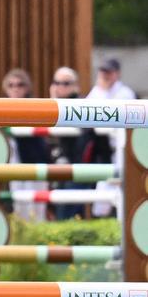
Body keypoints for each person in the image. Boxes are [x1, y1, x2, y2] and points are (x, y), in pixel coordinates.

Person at [85, 57, 135, 212]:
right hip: (104, 151)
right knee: (102, 199)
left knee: (127, 195)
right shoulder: (96, 92)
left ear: (117, 74)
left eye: (108, 72)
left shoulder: (125, 93)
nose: (105, 75)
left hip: (124, 151)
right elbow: (85, 116)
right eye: (102, 71)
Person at [1, 68, 49, 221]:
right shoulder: (0, 108)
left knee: (37, 209)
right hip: (13, 164)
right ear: (6, 88)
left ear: (27, 88)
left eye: (20, 84)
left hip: (35, 161)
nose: (15, 88)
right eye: (11, 85)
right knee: (19, 207)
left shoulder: (35, 105)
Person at [48, 67, 86, 219]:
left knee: (67, 212)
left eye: (65, 83)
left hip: (79, 166)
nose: (60, 87)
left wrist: (53, 100)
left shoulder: (80, 105)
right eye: (57, 83)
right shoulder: (56, 104)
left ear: (75, 86)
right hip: (59, 165)